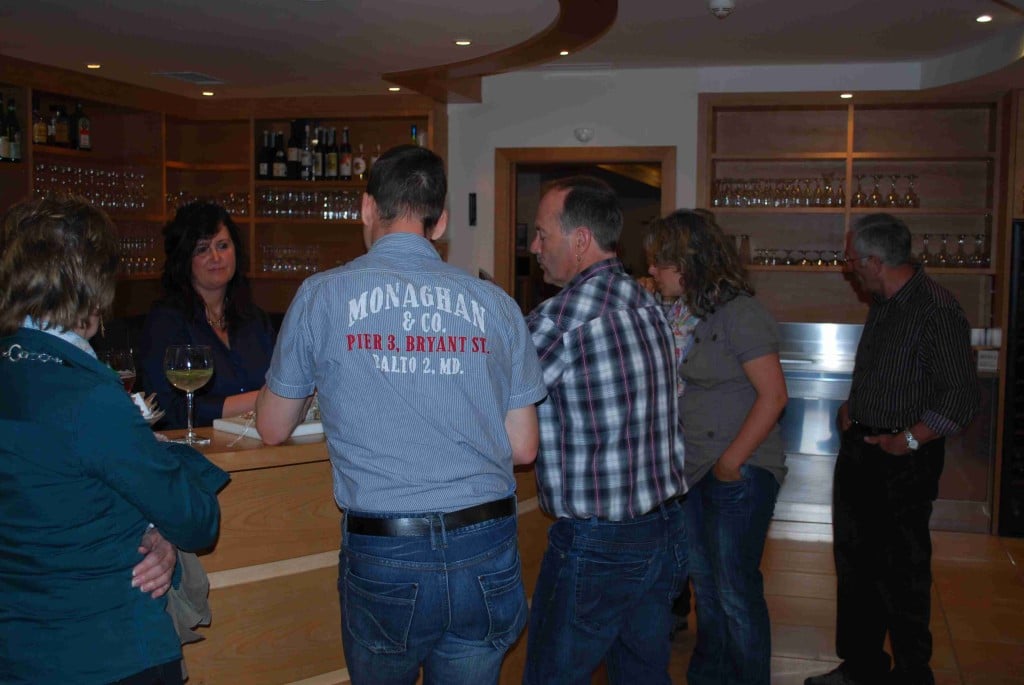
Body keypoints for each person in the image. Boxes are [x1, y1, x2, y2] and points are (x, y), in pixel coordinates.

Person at [255, 144, 546, 685]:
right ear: (441, 223)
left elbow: (272, 428)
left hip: (386, 550)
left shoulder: (322, 295)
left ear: (367, 208)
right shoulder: (496, 304)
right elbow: (524, 446)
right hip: (485, 545)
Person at [0, 196, 229, 685]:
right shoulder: (87, 394)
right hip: (106, 649)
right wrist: (163, 516)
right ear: (95, 284)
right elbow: (196, 521)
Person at [522, 176, 688, 685]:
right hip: (663, 526)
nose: (534, 248)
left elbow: (488, 411)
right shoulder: (649, 304)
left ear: (579, 240)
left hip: (598, 542)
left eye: (542, 234)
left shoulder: (559, 320)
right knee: (642, 673)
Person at [805, 213, 979, 685]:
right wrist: (854, 406)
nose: (848, 269)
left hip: (903, 460)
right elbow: (892, 375)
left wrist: (909, 439)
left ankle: (911, 672)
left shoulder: (936, 309)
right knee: (855, 565)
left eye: (851, 260)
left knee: (901, 572)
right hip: (862, 449)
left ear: (874, 261)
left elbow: (961, 397)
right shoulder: (884, 303)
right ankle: (861, 666)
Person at [644, 209, 788, 685]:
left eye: (660, 262)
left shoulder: (741, 314)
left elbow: (774, 396)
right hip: (696, 470)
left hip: (736, 473)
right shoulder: (689, 311)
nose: (652, 270)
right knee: (707, 591)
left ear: (688, 263)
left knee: (735, 593)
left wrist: (731, 463)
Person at [140, 201, 275, 429]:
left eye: (222, 246)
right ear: (184, 259)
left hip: (259, 443)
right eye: (202, 249)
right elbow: (168, 409)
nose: (216, 257)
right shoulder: (165, 321)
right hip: (193, 446)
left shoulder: (255, 320)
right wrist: (260, 400)